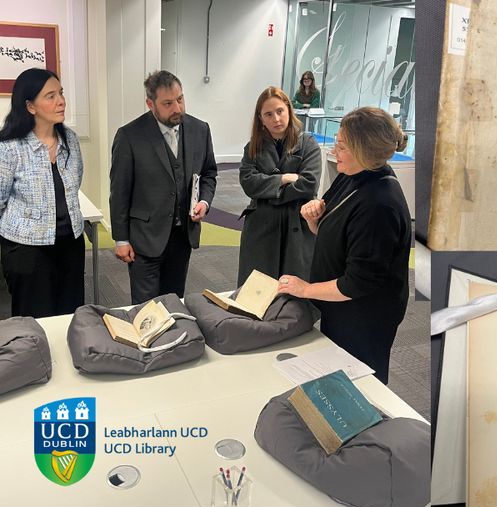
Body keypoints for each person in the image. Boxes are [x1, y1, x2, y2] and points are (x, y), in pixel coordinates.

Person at [276, 107, 410, 384]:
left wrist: (306, 289)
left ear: (364, 150)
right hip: (341, 307)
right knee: (337, 376)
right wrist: (315, 219)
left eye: (342, 145)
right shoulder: (352, 175)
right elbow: (332, 228)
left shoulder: (379, 204)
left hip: (365, 315)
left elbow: (358, 283)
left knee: (361, 383)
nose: (335, 150)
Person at [110, 70, 218, 304]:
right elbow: (119, 191)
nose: (177, 108)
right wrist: (121, 239)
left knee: (173, 300)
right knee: (146, 308)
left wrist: (204, 202)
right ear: (151, 104)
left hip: (183, 236)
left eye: (180, 99)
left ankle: (173, 341)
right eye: (168, 103)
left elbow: (209, 173)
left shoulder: (200, 129)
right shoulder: (129, 136)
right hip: (144, 238)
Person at [0, 68, 85, 317]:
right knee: (34, 322)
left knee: (70, 315)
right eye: (50, 96)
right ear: (30, 106)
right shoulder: (9, 147)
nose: (61, 101)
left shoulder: (70, 139)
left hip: (70, 243)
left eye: (61, 93)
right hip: (27, 250)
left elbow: (75, 182)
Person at [236, 87, 320, 285]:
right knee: (257, 289)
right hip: (261, 228)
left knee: (295, 290)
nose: (276, 119)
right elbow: (248, 183)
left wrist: (268, 192)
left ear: (289, 110)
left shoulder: (308, 144)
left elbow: (309, 184)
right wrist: (283, 179)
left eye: (280, 111)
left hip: (297, 226)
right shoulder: (253, 147)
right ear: (261, 118)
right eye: (268, 114)